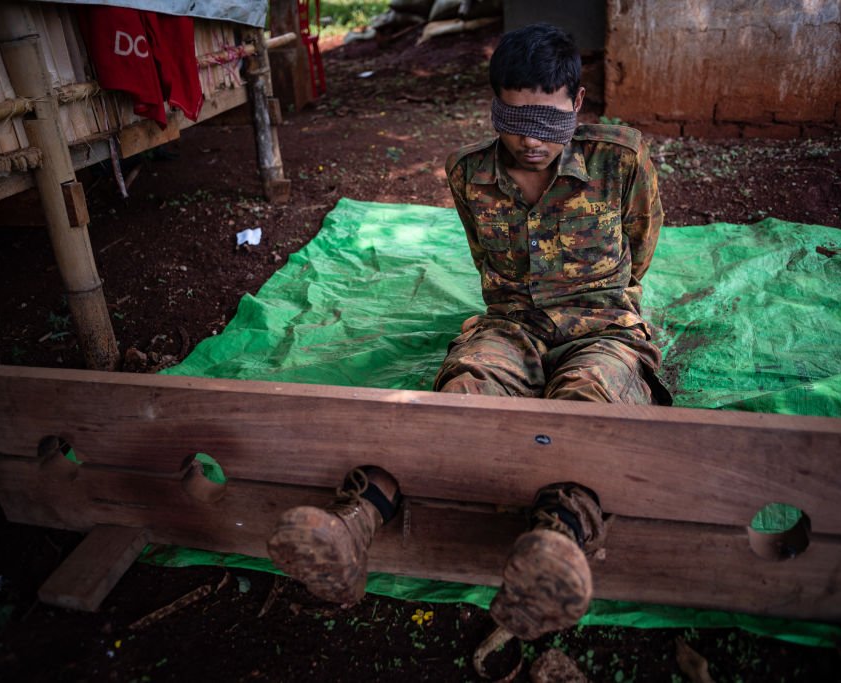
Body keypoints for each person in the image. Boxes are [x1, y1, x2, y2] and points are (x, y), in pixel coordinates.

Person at [267, 24, 670, 642]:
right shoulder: (467, 174)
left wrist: (610, 304)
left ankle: (555, 546)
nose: (530, 139)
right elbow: (488, 263)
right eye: (513, 119)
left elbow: (640, 247)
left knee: (592, 403)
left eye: (549, 121)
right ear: (492, 106)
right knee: (459, 395)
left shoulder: (622, 159)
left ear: (578, 104)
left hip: (603, 326)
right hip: (511, 325)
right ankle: (354, 525)